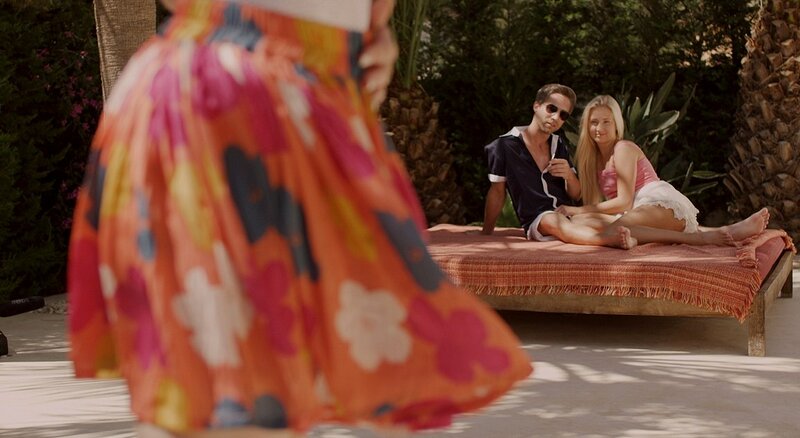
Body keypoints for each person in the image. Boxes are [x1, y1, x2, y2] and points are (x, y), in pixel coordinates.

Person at [67, 1, 532, 437]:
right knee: (231, 393)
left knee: (226, 388)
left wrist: (372, 31)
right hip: (240, 92)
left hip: (238, 86)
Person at [548, 94, 769, 249]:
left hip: (659, 203)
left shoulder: (622, 148)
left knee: (615, 228)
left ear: (616, 124)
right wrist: (570, 180)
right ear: (587, 126)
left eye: (606, 122)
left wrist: (577, 209)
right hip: (636, 212)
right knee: (580, 223)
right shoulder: (593, 159)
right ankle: (723, 230)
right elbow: (582, 194)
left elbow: (623, 201)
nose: (600, 128)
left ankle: (704, 238)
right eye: (594, 122)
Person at [481, 83, 582, 240]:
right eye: (552, 109)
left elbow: (576, 195)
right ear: (536, 106)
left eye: (563, 115)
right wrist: (486, 232)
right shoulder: (504, 146)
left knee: (606, 220)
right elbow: (497, 192)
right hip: (540, 221)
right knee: (554, 221)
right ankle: (611, 238)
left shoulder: (559, 144)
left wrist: (569, 175)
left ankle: (617, 237)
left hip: (568, 216)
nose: (556, 117)